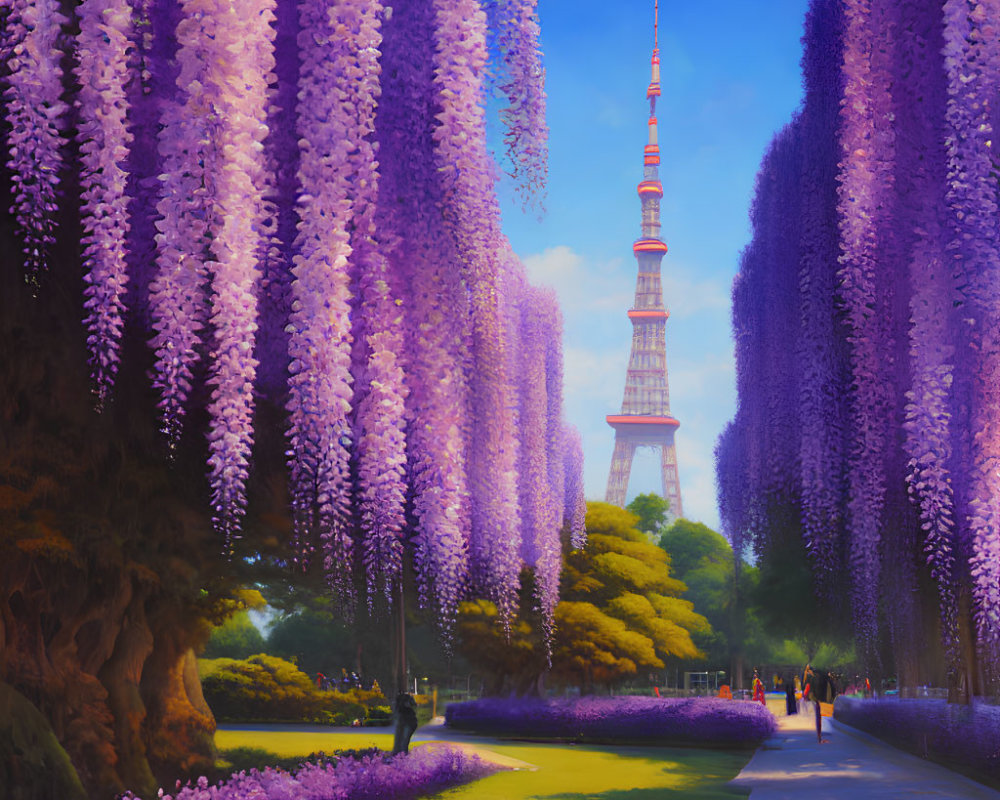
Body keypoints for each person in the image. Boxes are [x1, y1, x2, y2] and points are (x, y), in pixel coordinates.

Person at [802, 664, 837, 743]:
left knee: (819, 717)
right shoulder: (826, 677)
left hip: (818, 700)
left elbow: (807, 687)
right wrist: (832, 698)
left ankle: (819, 736)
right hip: (825, 700)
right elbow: (833, 689)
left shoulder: (812, 677)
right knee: (825, 717)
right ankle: (823, 736)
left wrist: (807, 696)